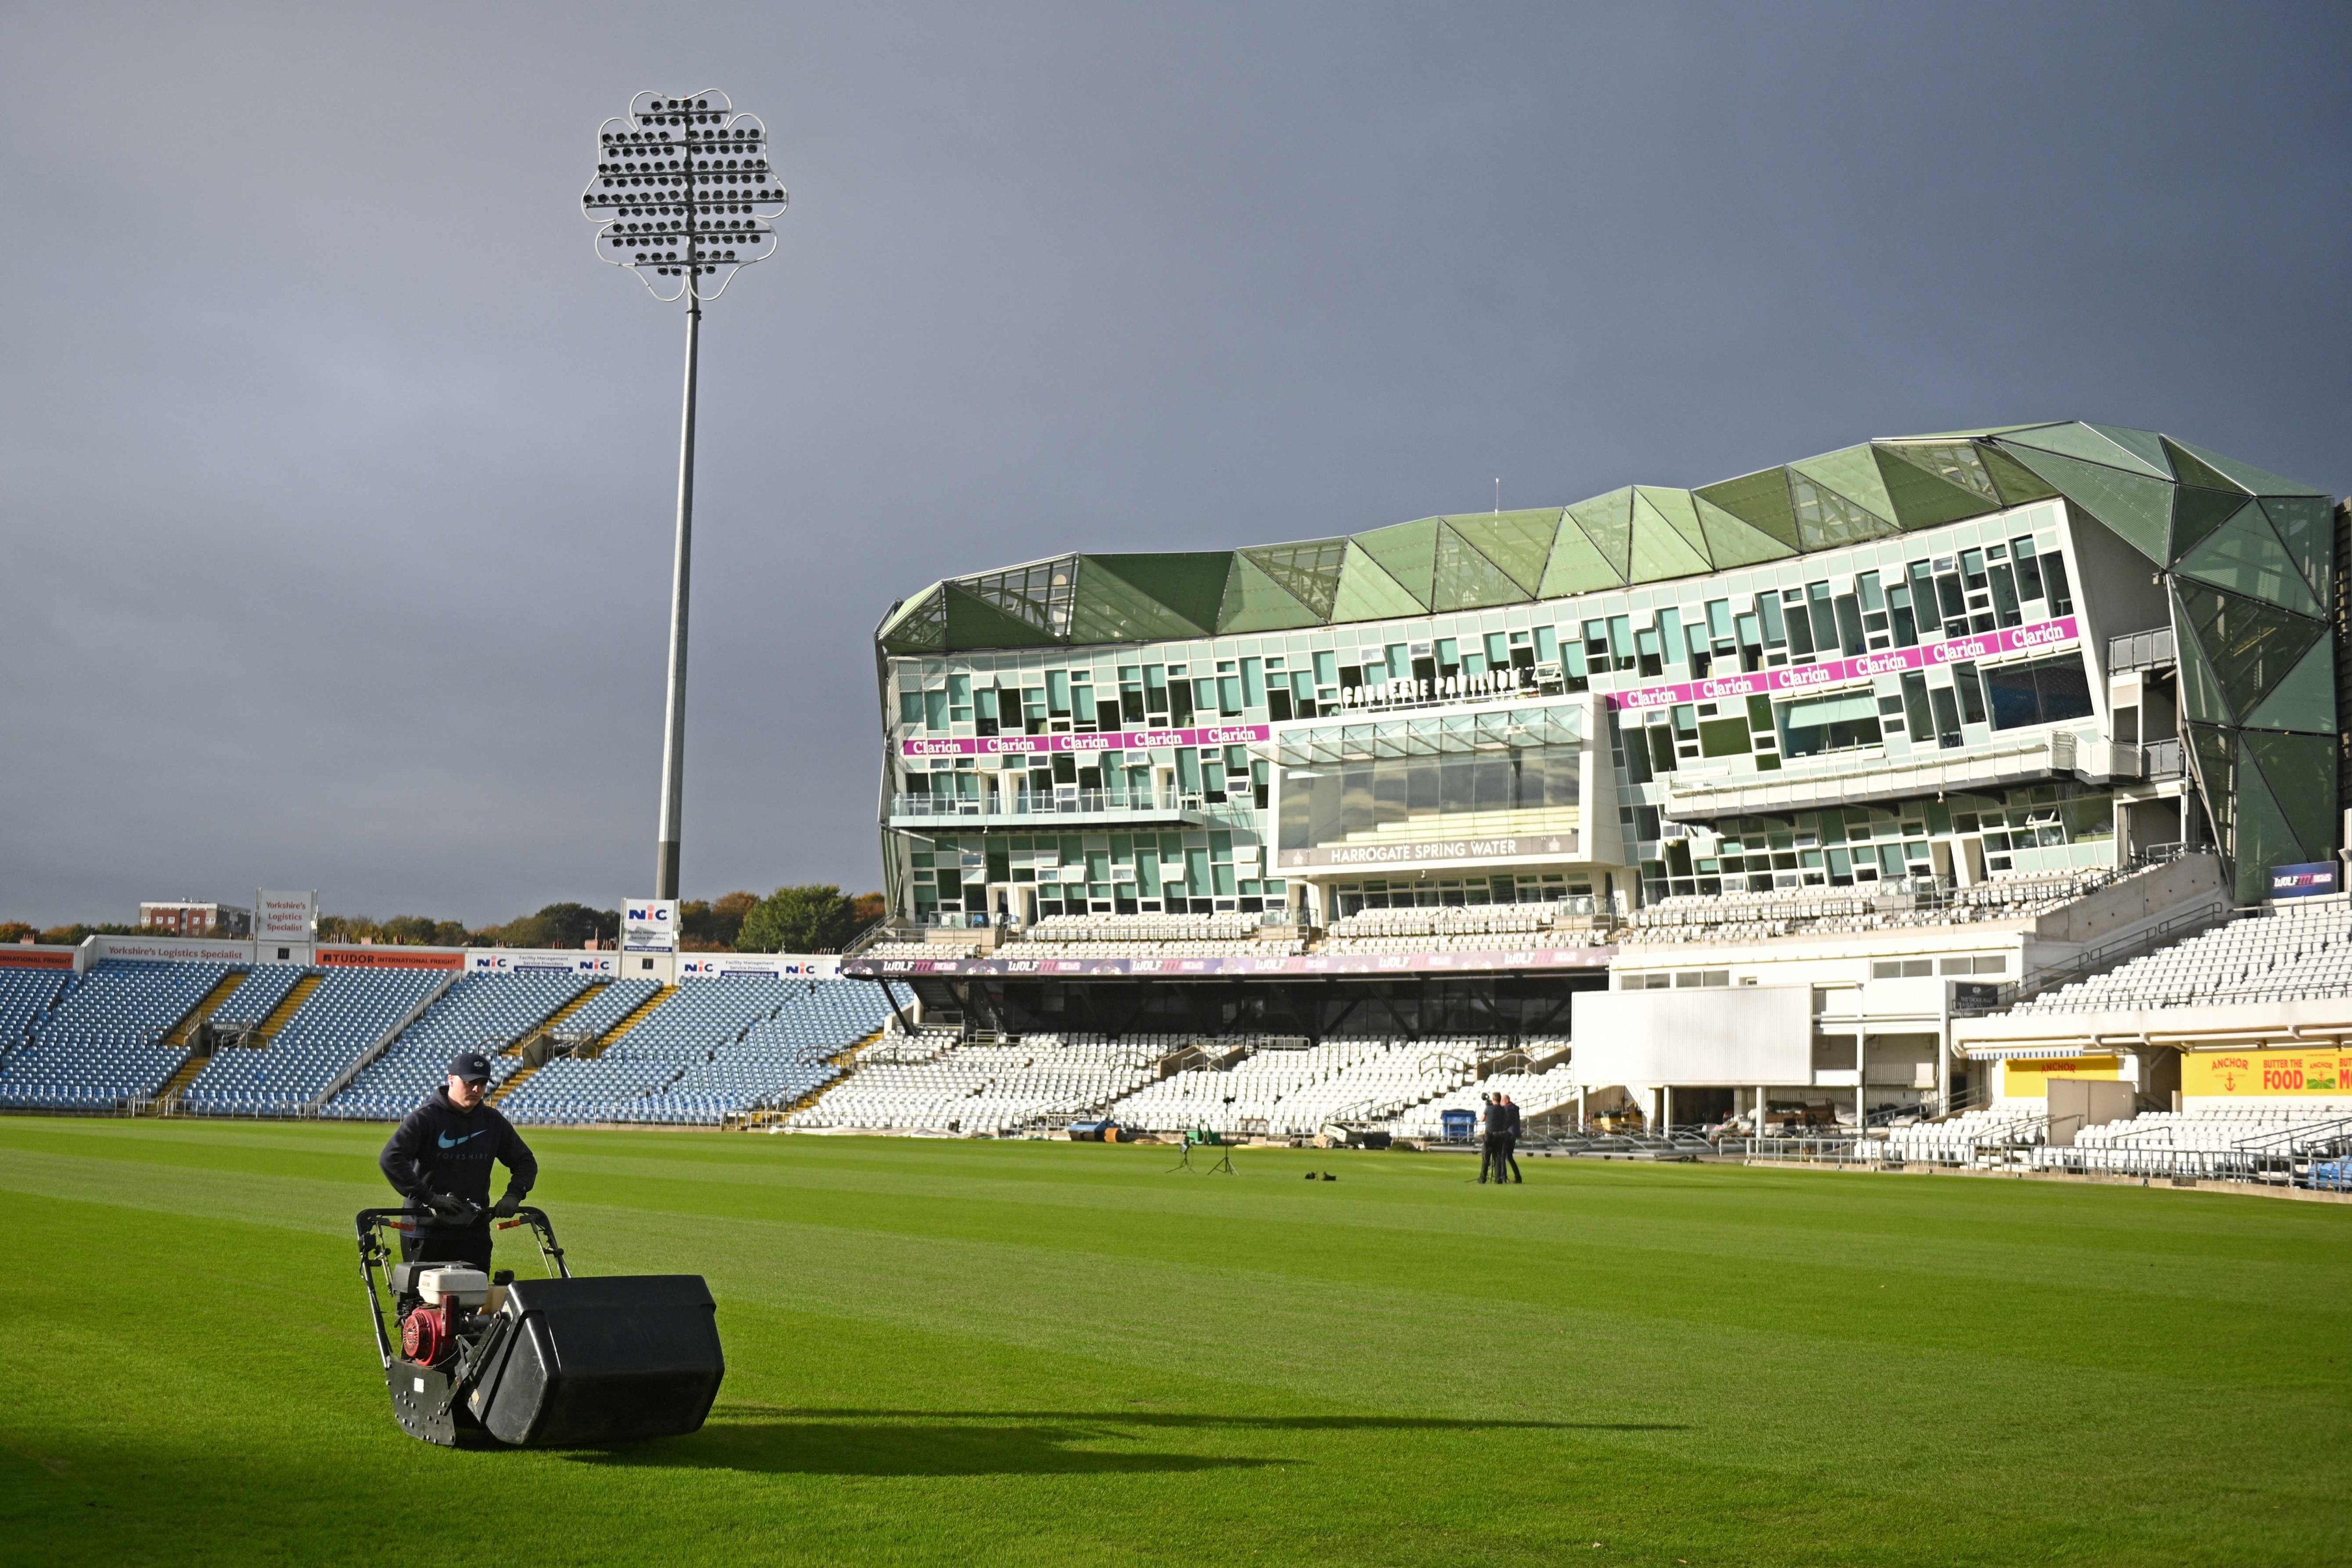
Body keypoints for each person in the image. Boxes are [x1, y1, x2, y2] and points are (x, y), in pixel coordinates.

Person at [379, 1052, 538, 1272]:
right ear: (451, 1080)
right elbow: (391, 1158)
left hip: (474, 1229)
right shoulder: (426, 1118)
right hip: (426, 1229)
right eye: (470, 1082)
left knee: (473, 1297)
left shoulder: (492, 1122)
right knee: (423, 1302)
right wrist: (430, 1198)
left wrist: (514, 1195)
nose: (477, 1089)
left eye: (482, 1084)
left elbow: (525, 1161)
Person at [1496, 1093, 1524, 1184]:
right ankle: (1518, 1177)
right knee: (1509, 1157)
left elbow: (1505, 1123)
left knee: (1503, 1156)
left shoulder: (1506, 1109)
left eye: (1502, 1102)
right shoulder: (1515, 1109)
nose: (1501, 1104)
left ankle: (1503, 1177)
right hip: (1515, 1133)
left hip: (1508, 1134)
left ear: (1506, 1101)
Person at [1477, 1094, 1501, 1184]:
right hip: (1499, 1135)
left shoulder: (1489, 1108)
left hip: (1489, 1136)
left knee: (1486, 1158)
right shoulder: (1503, 1109)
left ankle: (1483, 1178)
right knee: (1498, 1158)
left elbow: (1482, 1119)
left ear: (1493, 1099)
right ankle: (1498, 1179)